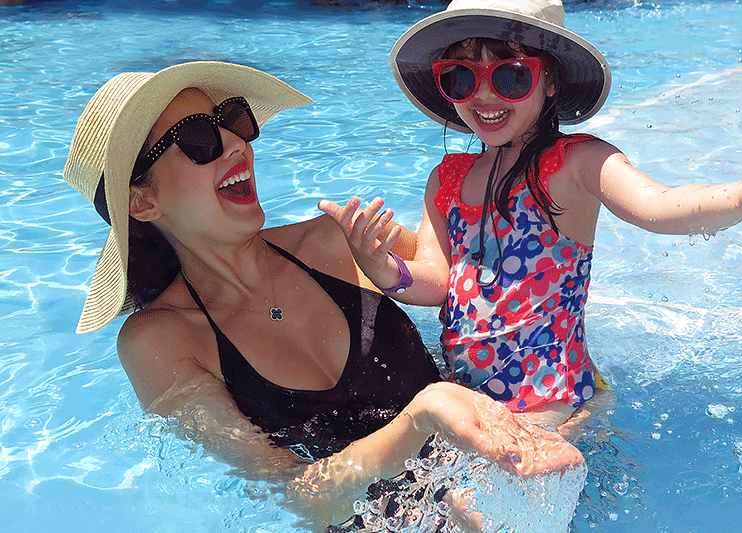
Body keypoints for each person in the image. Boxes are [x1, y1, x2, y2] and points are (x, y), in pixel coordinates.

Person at [62, 60, 585, 530]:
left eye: (233, 120)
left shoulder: (334, 239)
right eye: (199, 137)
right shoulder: (161, 339)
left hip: (513, 470)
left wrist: (575, 398)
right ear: (142, 201)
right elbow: (297, 497)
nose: (236, 144)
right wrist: (425, 413)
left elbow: (498, 277)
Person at [319, 0, 742, 431]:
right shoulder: (445, 179)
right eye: (461, 77)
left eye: (510, 76)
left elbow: (659, 207)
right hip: (470, 388)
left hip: (550, 394)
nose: (484, 96)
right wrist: (386, 269)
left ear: (549, 79)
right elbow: (439, 280)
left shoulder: (574, 164)